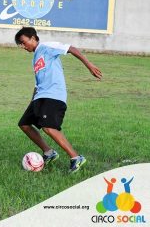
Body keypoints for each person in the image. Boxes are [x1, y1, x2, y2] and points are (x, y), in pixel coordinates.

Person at [15, 27, 102, 173]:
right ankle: (49, 153)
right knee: (24, 124)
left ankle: (76, 157)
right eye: (21, 45)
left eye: (24, 42)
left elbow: (71, 49)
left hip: (54, 95)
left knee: (49, 128)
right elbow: (38, 83)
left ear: (33, 38)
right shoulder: (35, 57)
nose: (23, 47)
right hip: (40, 96)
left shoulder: (47, 46)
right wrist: (32, 102)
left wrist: (89, 65)